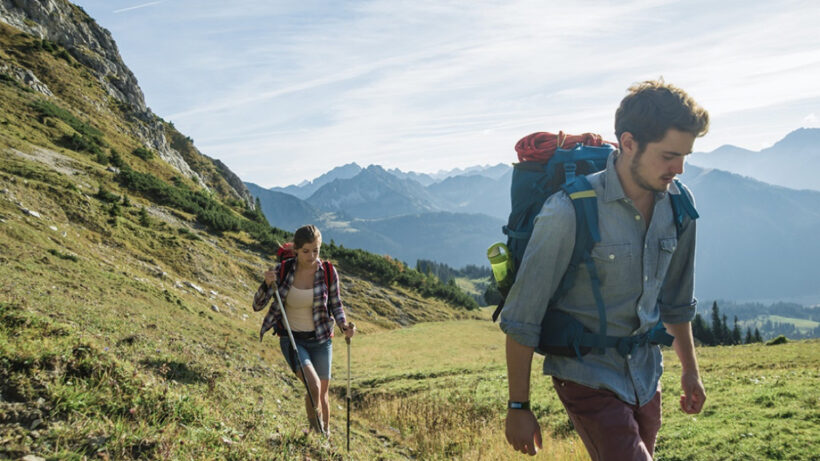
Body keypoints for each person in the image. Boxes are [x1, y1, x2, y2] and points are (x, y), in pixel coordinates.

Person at [500, 79, 709, 459]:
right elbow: (521, 318)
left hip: (646, 375)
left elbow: (677, 301)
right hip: (585, 374)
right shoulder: (569, 210)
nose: (678, 168)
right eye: (668, 156)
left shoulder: (679, 205)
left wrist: (690, 371)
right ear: (628, 143)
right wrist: (518, 407)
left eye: (685, 156)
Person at [253, 224, 356, 434]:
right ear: (296, 250)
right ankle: (315, 431)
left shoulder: (327, 271)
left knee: (323, 393)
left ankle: (325, 436)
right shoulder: (282, 271)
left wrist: (344, 325)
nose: (311, 256)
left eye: (316, 250)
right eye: (306, 251)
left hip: (321, 340)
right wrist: (265, 284)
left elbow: (336, 303)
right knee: (313, 386)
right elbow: (257, 305)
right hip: (293, 339)